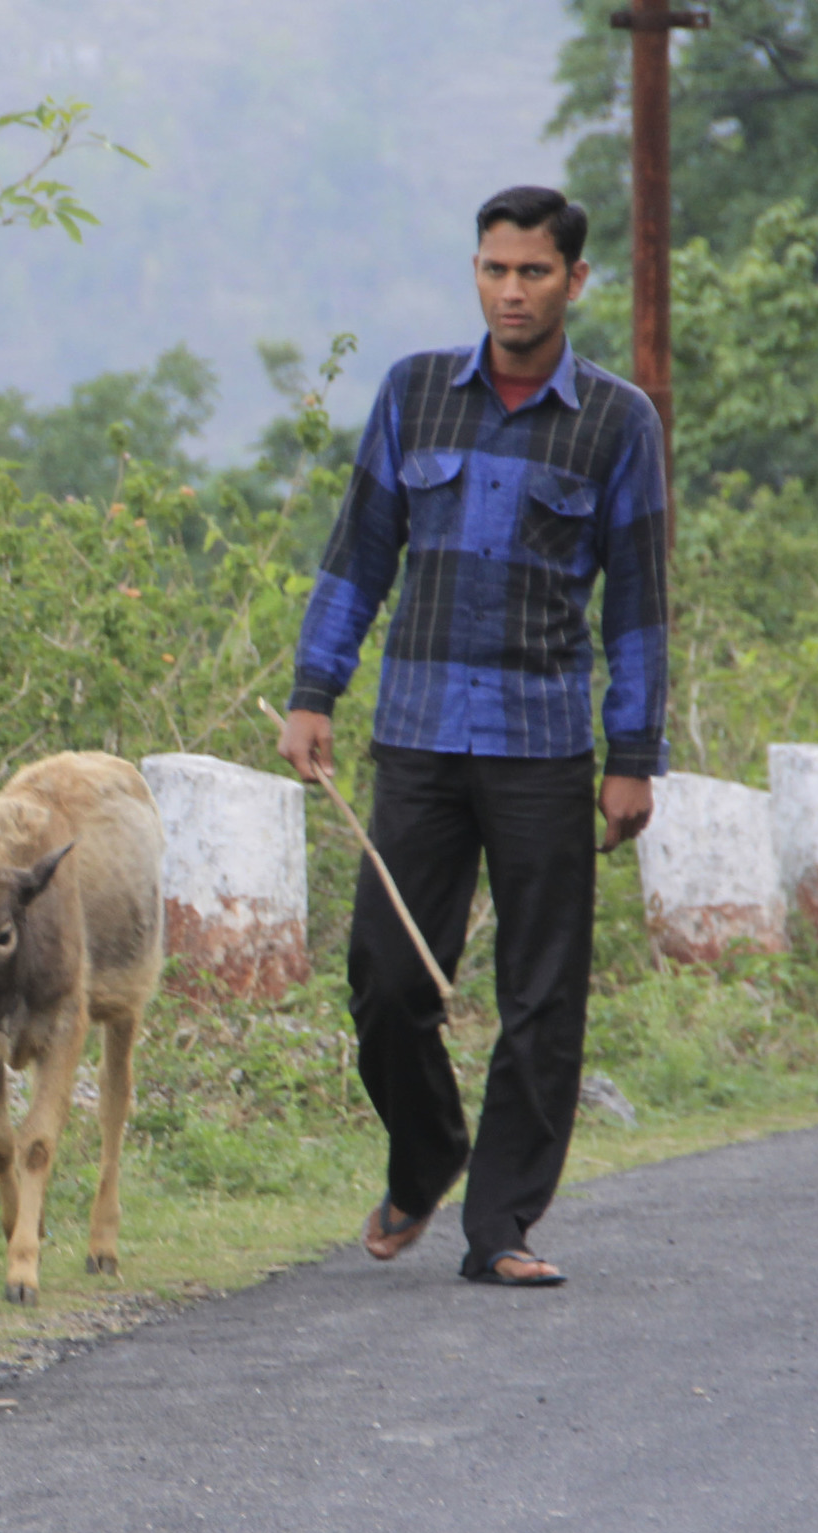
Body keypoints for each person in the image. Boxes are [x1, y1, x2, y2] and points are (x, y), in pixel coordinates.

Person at [275, 185, 667, 1288]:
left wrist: (634, 755)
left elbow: (637, 600)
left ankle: (499, 1222)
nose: (510, 290)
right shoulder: (412, 394)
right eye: (493, 269)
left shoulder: (615, 421)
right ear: (476, 273)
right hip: (418, 738)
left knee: (543, 992)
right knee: (385, 977)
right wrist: (315, 691)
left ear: (573, 281)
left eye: (533, 271)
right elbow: (358, 555)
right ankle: (428, 1148)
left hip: (544, 747)